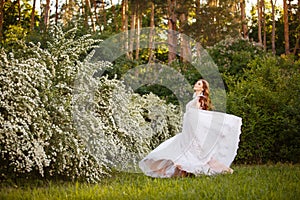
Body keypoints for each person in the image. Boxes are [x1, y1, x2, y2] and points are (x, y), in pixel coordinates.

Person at [139, 79, 242, 178]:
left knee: (196, 156)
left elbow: (198, 115)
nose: (196, 85)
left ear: (202, 88)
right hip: (187, 132)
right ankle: (183, 174)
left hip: (191, 133)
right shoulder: (196, 98)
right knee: (183, 152)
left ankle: (226, 171)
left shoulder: (199, 99)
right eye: (196, 83)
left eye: (199, 84)